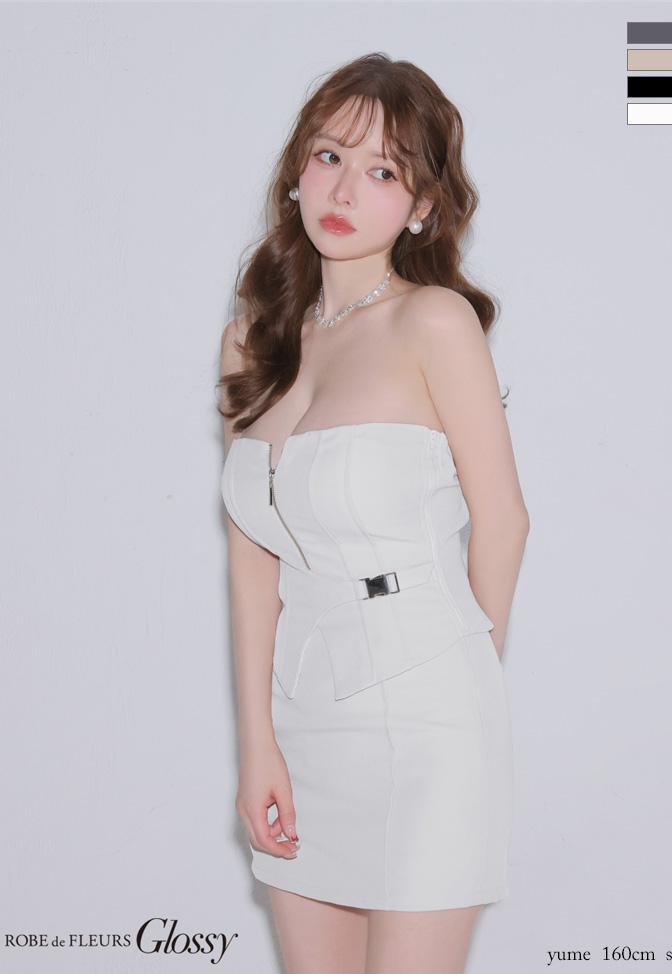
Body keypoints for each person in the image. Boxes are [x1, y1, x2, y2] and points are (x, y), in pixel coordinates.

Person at [217, 52, 529, 974]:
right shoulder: (251, 341)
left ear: (422, 204)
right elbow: (251, 557)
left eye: (383, 171)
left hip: (426, 713)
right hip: (302, 714)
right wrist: (257, 745)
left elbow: (504, 522)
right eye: (328, 157)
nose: (345, 189)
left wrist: (457, 676)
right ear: (296, 173)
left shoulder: (434, 321)